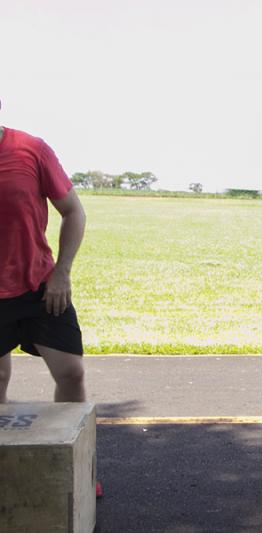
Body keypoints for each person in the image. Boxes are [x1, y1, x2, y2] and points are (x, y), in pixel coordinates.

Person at [0, 103, 100, 496]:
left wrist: (62, 272)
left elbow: (73, 212)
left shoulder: (31, 150)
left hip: (40, 287)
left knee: (71, 373)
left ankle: (78, 469)